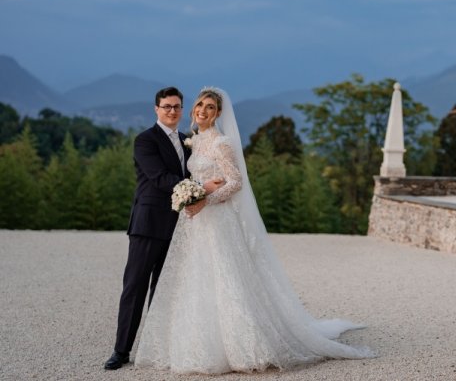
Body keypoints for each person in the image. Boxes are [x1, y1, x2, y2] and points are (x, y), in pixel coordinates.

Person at [134, 87, 372, 373]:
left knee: (226, 279)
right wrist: (194, 195)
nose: (203, 111)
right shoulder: (192, 142)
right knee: (195, 280)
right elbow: (186, 177)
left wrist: (204, 199)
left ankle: (242, 348)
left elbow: (235, 183)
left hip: (218, 219)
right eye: (200, 105)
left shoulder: (222, 143)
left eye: (210, 107)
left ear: (218, 113)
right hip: (195, 224)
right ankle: (195, 346)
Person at [104, 87, 223, 371]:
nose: (172, 111)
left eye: (177, 107)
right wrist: (201, 189)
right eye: (167, 106)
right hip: (148, 224)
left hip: (182, 226)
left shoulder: (187, 141)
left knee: (166, 289)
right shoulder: (145, 140)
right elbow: (159, 178)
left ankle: (159, 346)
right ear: (156, 109)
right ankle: (121, 351)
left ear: (182, 110)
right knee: (135, 287)